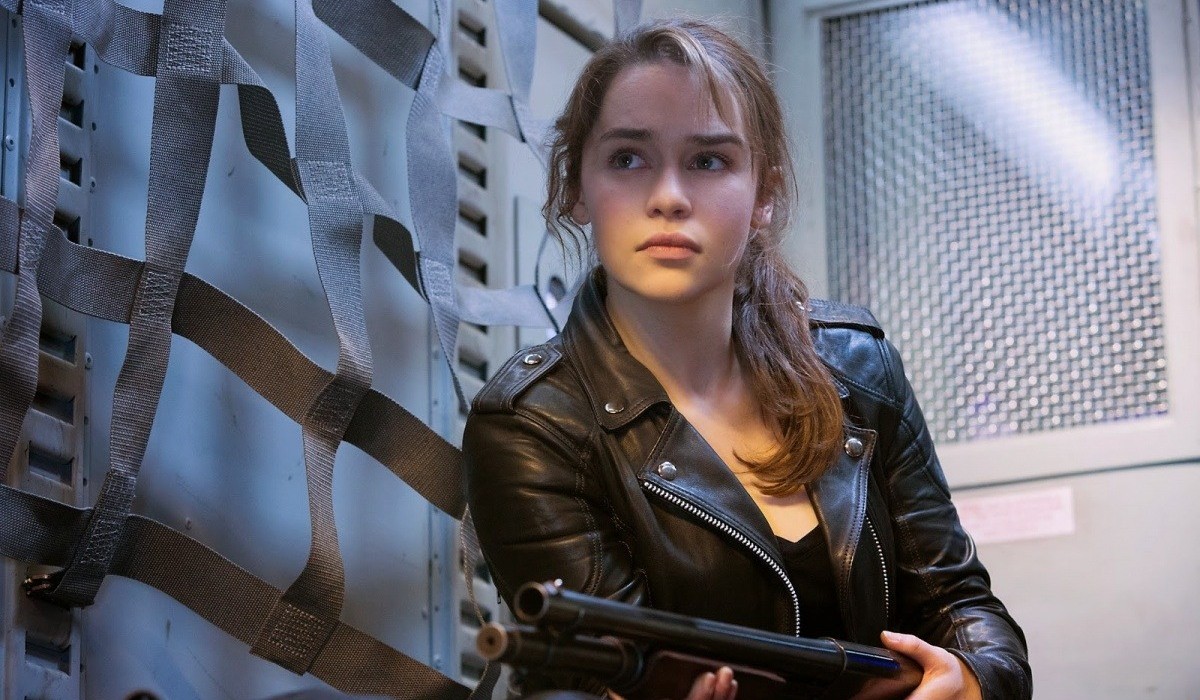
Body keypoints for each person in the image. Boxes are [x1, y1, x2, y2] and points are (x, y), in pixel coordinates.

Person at [462, 17, 1031, 700]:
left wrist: (972, 680)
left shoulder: (858, 365)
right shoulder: (530, 427)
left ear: (764, 194)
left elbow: (962, 608)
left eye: (708, 161)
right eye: (628, 159)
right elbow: (603, 675)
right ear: (578, 188)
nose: (668, 197)